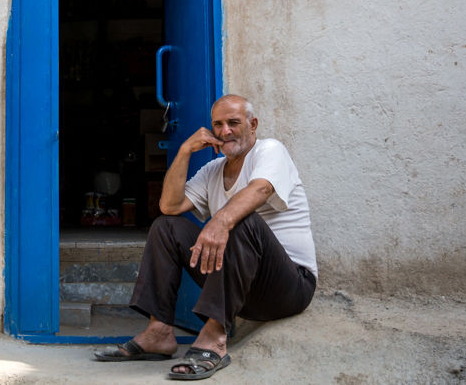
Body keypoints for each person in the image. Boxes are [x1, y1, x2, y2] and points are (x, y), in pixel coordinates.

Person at [94, 94, 317, 380]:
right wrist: (185, 150)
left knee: (243, 219)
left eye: (233, 123)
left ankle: (214, 337)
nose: (225, 131)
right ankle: (159, 332)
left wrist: (220, 221)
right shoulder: (212, 170)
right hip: (240, 288)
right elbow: (170, 206)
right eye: (218, 124)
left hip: (289, 287)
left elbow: (261, 189)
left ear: (253, 124)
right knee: (166, 226)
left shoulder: (270, 150)